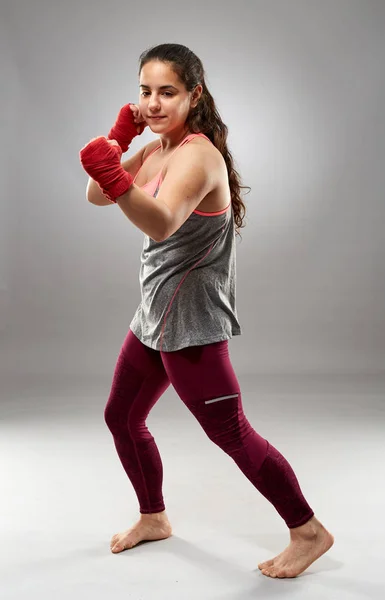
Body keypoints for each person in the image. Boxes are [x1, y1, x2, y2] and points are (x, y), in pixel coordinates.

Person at [79, 43, 334, 579]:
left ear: (194, 95)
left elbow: (160, 222)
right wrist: (119, 140)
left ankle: (308, 531)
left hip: (191, 323)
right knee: (121, 418)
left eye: (167, 92)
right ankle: (154, 518)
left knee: (231, 432)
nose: (152, 103)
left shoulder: (196, 155)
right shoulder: (155, 148)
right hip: (153, 316)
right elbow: (96, 195)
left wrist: (114, 173)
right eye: (145, 92)